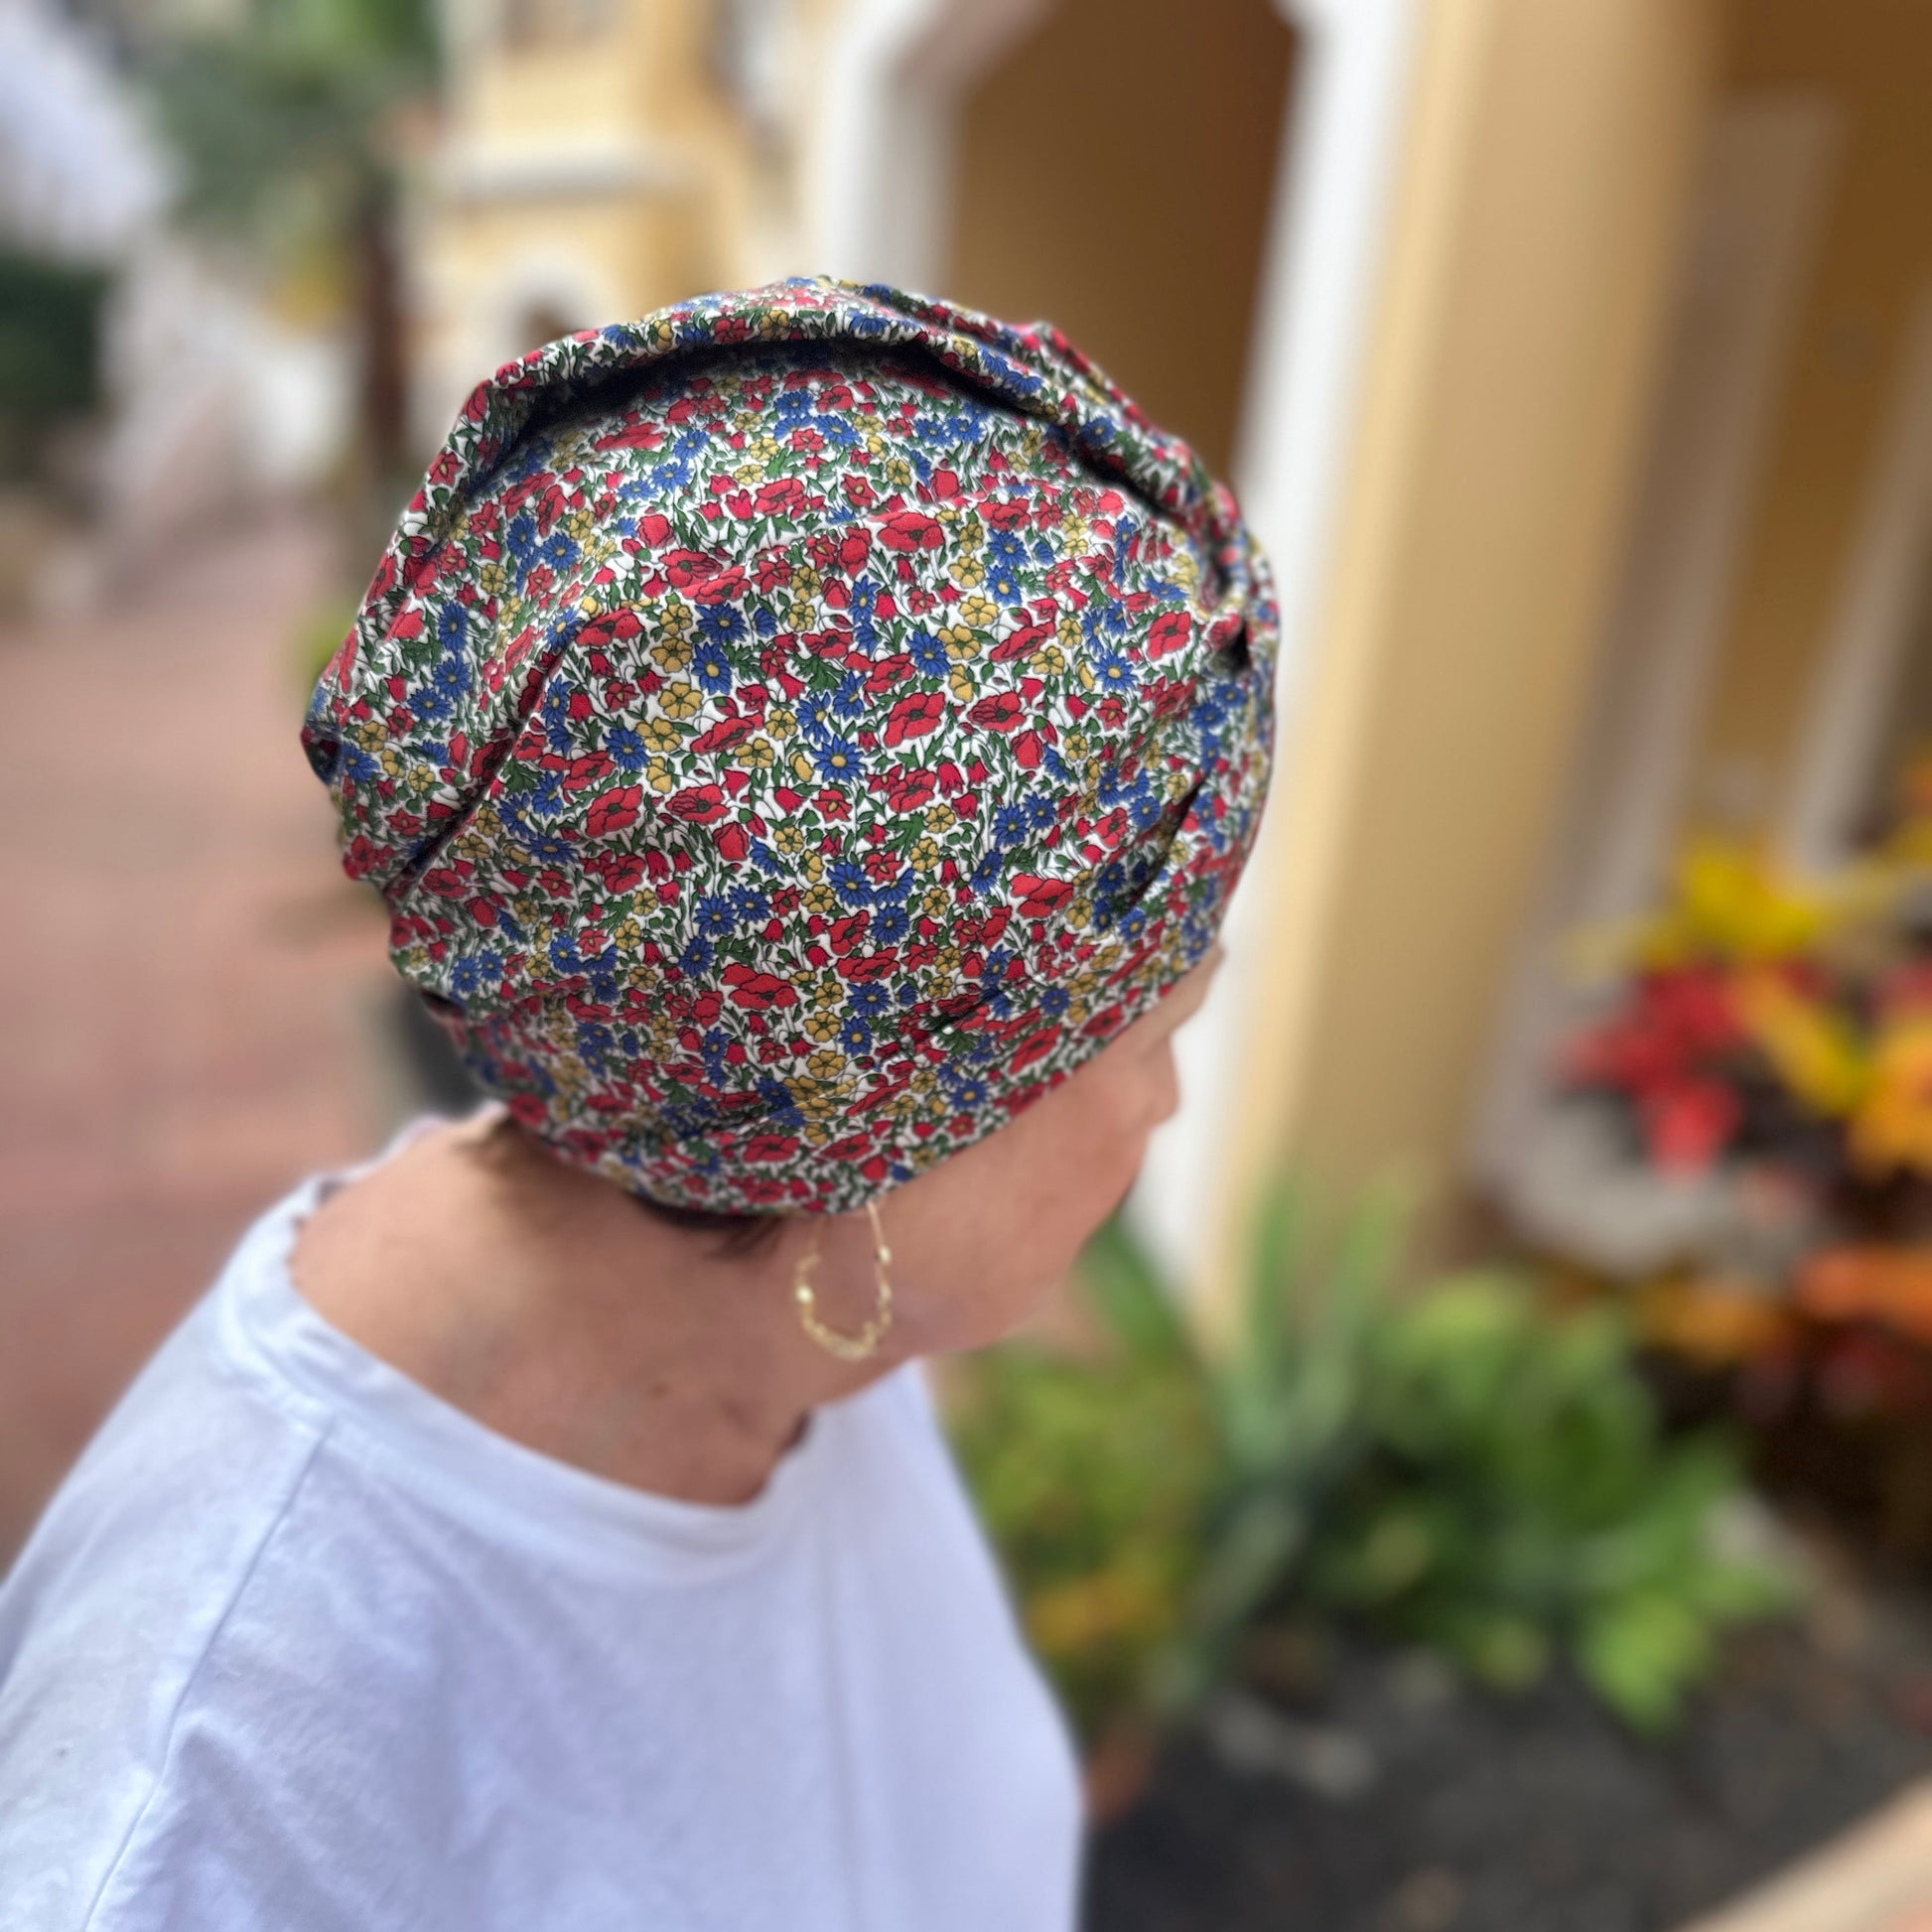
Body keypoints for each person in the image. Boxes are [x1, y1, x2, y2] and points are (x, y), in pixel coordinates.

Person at [0, 278, 1275, 1930]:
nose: (1167, 1103)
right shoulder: (200, 1802)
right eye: (1161, 1021)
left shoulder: (800, 1310)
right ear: (875, 1119)